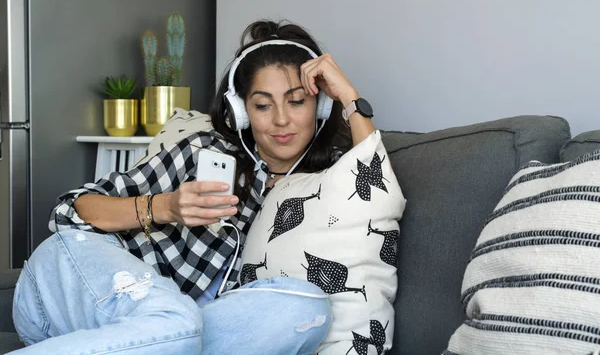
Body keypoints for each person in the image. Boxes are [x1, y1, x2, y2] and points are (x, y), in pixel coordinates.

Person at [10, 19, 377, 355]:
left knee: (305, 306)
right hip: (72, 283)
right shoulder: (206, 151)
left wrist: (348, 96)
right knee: (179, 322)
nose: (281, 120)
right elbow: (73, 209)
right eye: (263, 105)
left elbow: (377, 184)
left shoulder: (331, 176)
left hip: (158, 337)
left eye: (297, 102)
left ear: (322, 106)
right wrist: (165, 207)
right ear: (242, 111)